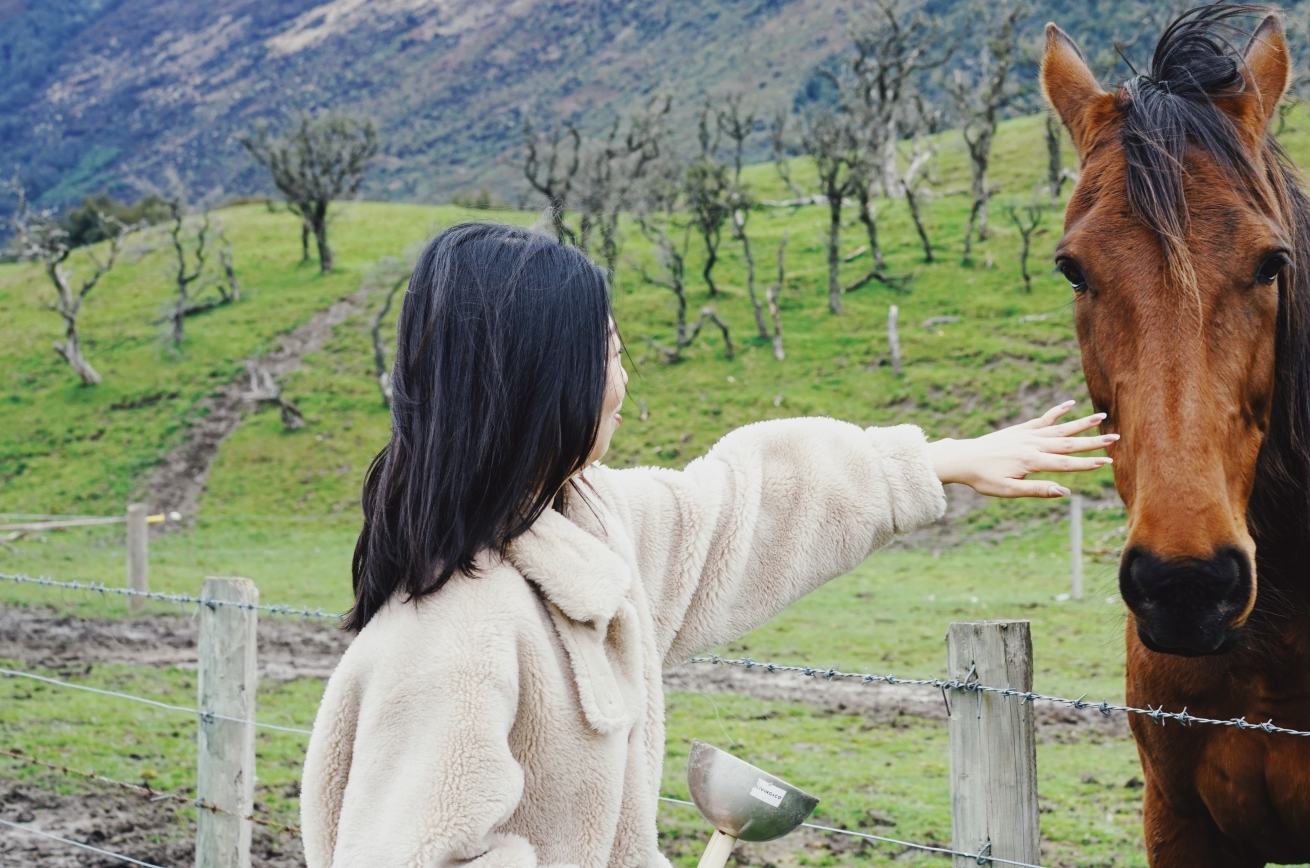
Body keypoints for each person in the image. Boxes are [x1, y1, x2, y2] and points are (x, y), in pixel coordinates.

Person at [302, 222, 1113, 868]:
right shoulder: (456, 633)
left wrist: (930, 465)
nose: (624, 378)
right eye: (610, 353)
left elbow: (731, 513)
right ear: (542, 380)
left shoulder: (585, 524)